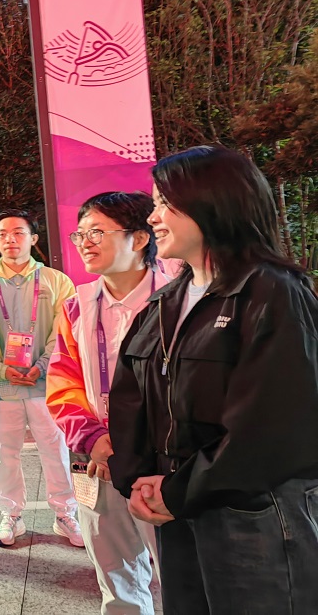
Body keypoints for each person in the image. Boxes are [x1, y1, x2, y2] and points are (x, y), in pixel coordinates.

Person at [108, 146, 318, 613]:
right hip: (178, 512)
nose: (153, 217)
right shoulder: (165, 302)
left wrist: (175, 491)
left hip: (254, 517)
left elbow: (273, 427)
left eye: (164, 203)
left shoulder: (273, 293)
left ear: (211, 202)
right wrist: (140, 482)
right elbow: (130, 401)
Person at [46, 192, 168, 614]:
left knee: (181, 575)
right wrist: (94, 439)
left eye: (97, 232)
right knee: (116, 581)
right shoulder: (77, 306)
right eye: (80, 233)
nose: (85, 242)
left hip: (162, 464)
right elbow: (63, 382)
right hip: (98, 462)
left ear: (140, 238)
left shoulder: (178, 299)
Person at [0, 210, 83, 548]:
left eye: (18, 232)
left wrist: (43, 364)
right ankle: (10, 516)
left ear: (33, 238)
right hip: (0, 387)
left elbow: (64, 330)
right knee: (4, 455)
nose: (10, 239)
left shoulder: (56, 281)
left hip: (47, 385)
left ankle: (65, 514)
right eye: (2, 233)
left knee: (56, 451)